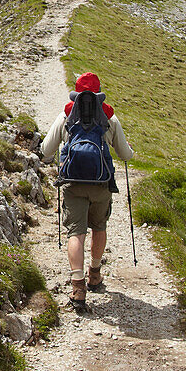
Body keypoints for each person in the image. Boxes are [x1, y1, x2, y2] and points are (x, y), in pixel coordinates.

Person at [41, 72, 134, 309]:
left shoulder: (66, 116)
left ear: (77, 92)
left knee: (76, 233)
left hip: (73, 184)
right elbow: (124, 155)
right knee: (99, 227)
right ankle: (95, 274)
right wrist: (130, 150)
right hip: (101, 184)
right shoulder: (109, 118)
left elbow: (46, 150)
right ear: (99, 93)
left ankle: (78, 287)